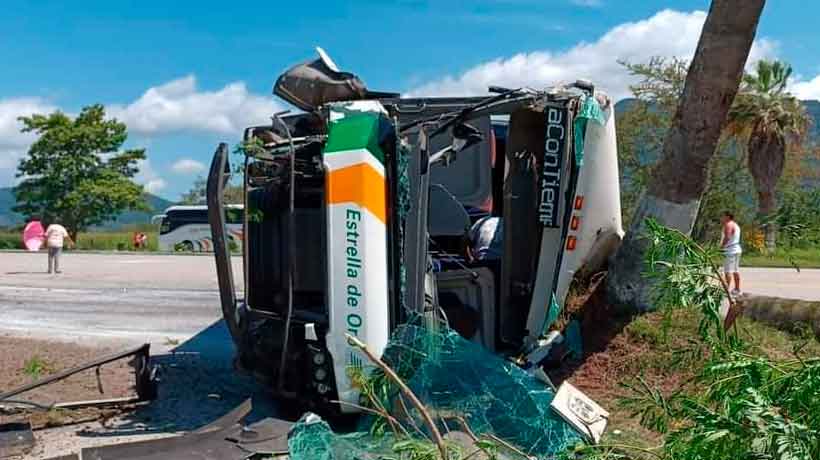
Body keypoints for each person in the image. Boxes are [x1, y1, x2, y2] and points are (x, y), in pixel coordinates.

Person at [720, 211, 742, 296]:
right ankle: (737, 289)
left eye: (723, 216)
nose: (721, 218)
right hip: (736, 249)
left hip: (730, 250)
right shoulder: (735, 225)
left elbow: (727, 237)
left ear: (728, 217)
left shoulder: (728, 224)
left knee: (728, 271)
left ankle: (726, 290)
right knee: (735, 270)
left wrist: (721, 247)